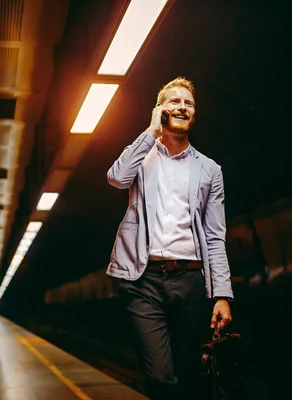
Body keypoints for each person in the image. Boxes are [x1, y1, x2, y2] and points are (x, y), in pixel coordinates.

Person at [105, 77, 234, 399]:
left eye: (188, 103)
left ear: (194, 114)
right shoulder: (141, 156)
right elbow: (116, 179)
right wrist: (151, 131)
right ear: (160, 109)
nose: (182, 107)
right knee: (161, 378)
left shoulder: (209, 170)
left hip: (189, 278)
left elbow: (215, 236)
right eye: (174, 101)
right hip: (142, 279)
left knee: (190, 372)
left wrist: (222, 295)